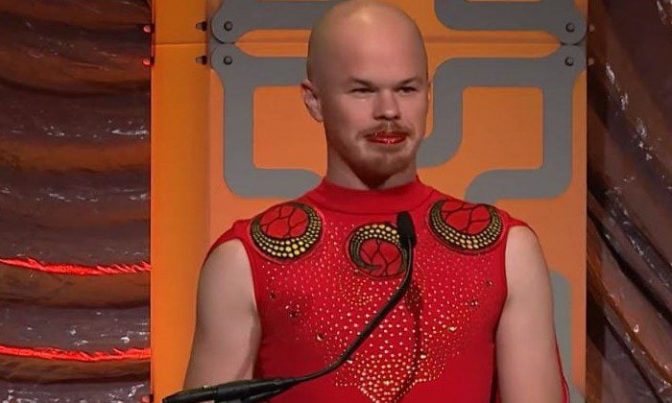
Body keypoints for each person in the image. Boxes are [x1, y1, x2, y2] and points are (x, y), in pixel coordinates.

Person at [183, 1, 567, 402]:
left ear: (429, 95)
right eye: (363, 90)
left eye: (407, 89)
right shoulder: (245, 260)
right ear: (314, 100)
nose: (389, 111)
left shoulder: (506, 249)